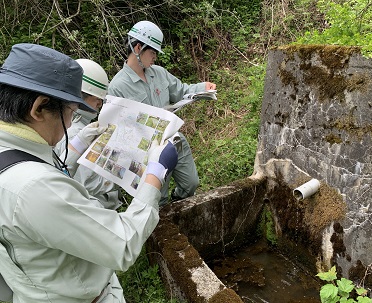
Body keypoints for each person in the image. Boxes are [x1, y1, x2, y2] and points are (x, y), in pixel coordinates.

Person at [0, 43, 177, 303]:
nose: (71, 123)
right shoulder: (35, 189)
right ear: (39, 108)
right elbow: (123, 243)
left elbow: (33, 168)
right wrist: (154, 175)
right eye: (70, 112)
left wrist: (75, 148)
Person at [108, 20, 216, 206]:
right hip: (149, 152)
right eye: (153, 52)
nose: (155, 57)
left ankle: (178, 202)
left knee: (191, 183)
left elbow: (181, 90)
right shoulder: (118, 87)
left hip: (174, 139)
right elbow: (117, 129)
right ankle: (164, 223)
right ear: (137, 48)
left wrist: (203, 87)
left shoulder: (158, 73)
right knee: (159, 197)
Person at [54, 58, 122, 210]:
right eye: (96, 98)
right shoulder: (74, 133)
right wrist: (119, 177)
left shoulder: (77, 125)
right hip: (95, 209)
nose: (100, 103)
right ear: (80, 96)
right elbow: (86, 184)